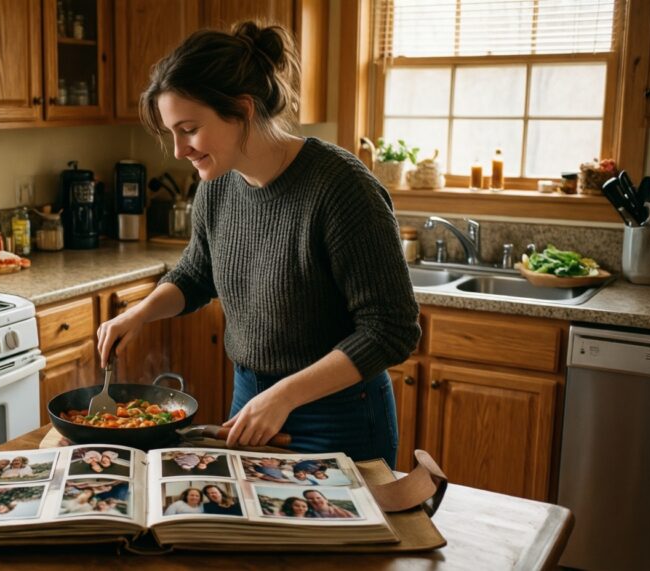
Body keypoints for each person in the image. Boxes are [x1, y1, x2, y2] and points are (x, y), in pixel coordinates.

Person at [95, 20, 419, 468]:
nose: (179, 150)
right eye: (172, 133)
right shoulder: (217, 186)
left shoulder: (341, 188)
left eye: (188, 129)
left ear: (242, 110)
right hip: (251, 402)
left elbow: (392, 330)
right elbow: (197, 273)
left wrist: (284, 396)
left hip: (338, 415)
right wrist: (140, 312)